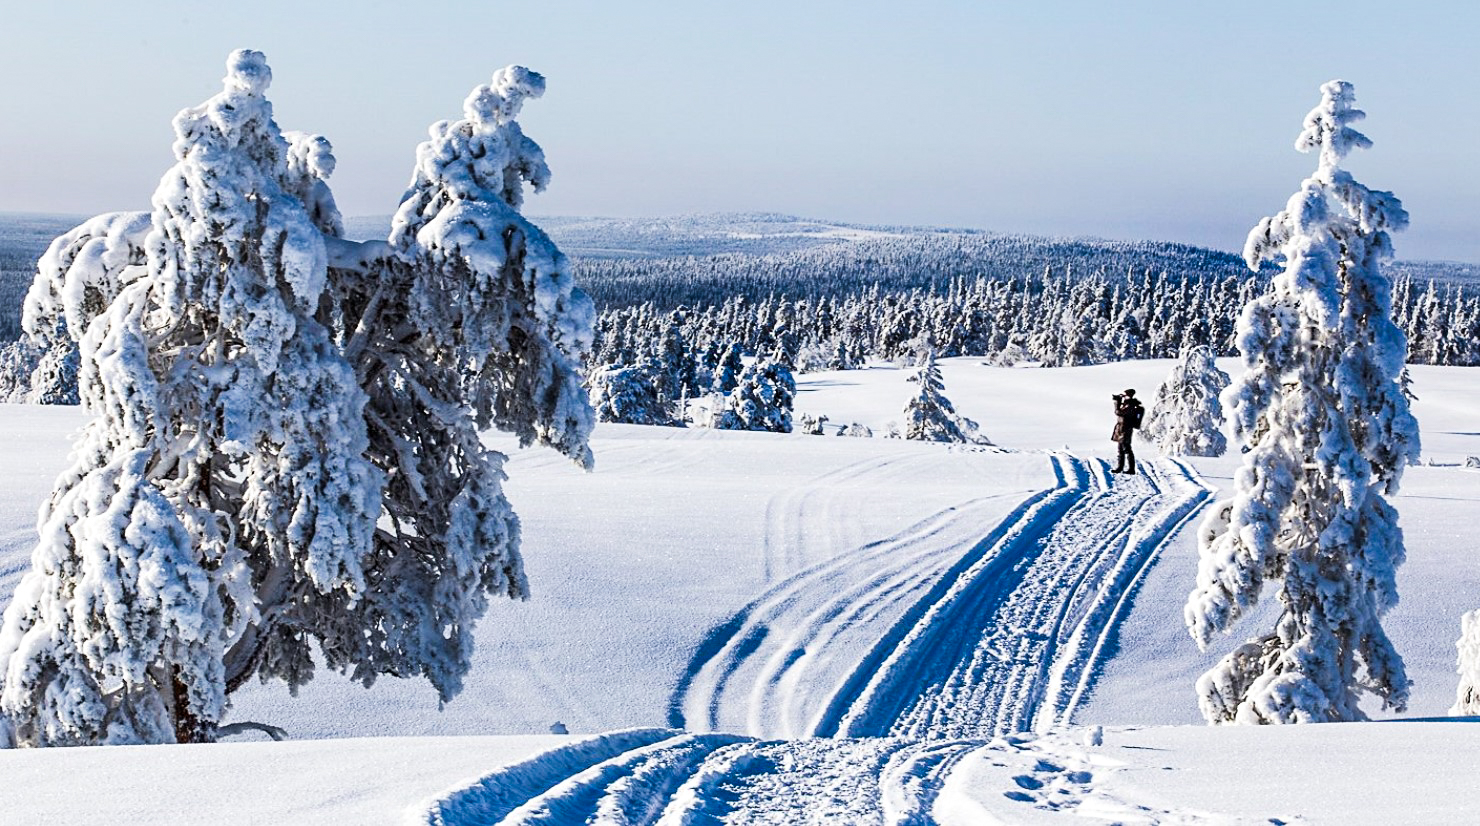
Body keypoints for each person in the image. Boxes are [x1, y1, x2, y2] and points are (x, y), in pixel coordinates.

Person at [1111, 388, 1144, 474]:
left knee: (1127, 449)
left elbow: (1118, 412)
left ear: (1128, 396)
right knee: (1120, 449)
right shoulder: (1127, 404)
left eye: (1124, 395)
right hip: (1121, 429)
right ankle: (1120, 467)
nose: (1123, 397)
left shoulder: (1131, 405)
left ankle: (1131, 469)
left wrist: (1117, 402)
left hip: (1126, 429)